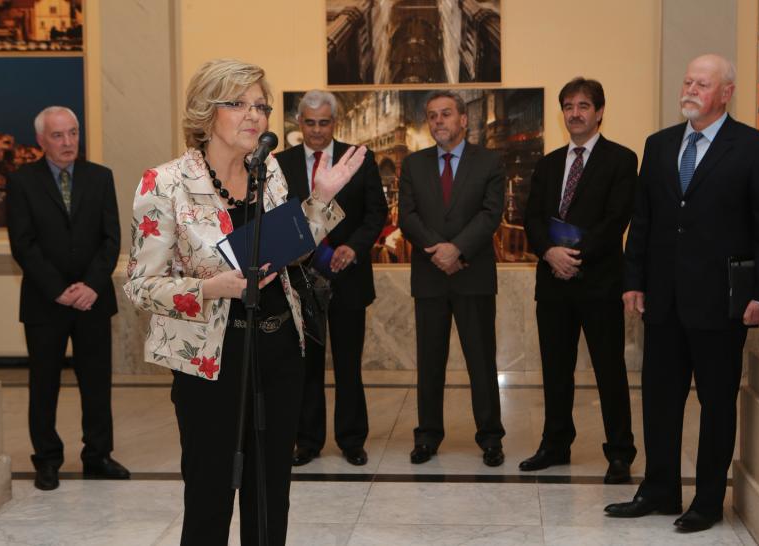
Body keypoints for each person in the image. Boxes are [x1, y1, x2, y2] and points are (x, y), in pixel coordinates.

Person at [123, 59, 366, 546]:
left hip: (279, 351)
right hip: (211, 361)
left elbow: (287, 250)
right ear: (205, 110)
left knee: (270, 496)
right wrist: (210, 289)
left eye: (261, 106)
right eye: (238, 103)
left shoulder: (269, 170)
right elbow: (141, 285)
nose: (254, 115)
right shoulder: (165, 183)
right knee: (210, 497)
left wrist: (320, 200)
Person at [605, 54, 759, 532]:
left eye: (702, 84)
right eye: (688, 81)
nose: (690, 90)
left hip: (721, 304)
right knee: (659, 400)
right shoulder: (659, 145)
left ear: (726, 93)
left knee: (717, 404)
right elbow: (642, 221)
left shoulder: (755, 148)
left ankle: (707, 501)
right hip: (662, 301)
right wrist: (633, 280)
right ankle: (660, 490)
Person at [6, 106, 128, 491]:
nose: (68, 142)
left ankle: (98, 456)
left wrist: (91, 285)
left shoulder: (100, 177)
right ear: (41, 140)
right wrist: (58, 289)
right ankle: (47, 459)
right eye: (58, 135)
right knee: (44, 385)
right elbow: (23, 244)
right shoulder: (22, 181)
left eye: (73, 133)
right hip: (45, 303)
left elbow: (111, 239)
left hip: (94, 300)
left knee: (97, 383)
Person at [522, 78, 637, 483]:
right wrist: (549, 253)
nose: (575, 113)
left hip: (599, 283)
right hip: (553, 283)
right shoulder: (548, 163)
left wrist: (574, 256)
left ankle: (620, 452)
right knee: (555, 370)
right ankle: (555, 444)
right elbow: (531, 217)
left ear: (599, 112)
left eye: (584, 105)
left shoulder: (621, 160)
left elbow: (616, 219)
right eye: (568, 106)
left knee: (609, 370)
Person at [276, 90, 387, 467]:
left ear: (334, 123)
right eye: (310, 123)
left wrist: (353, 248)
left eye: (324, 123)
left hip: (347, 277)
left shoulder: (358, 160)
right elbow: (277, 216)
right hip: (299, 278)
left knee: (348, 364)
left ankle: (352, 439)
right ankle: (307, 441)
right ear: (299, 123)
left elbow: (376, 213)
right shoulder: (281, 164)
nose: (317, 130)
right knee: (306, 365)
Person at [398, 90, 506, 467]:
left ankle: (490, 437)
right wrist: (439, 251)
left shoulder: (489, 161)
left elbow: (491, 214)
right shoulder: (414, 165)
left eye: (446, 114)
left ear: (463, 119)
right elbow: (407, 216)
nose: (438, 121)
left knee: (481, 360)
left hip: (473, 275)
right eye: (432, 115)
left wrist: (457, 249)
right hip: (430, 276)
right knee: (430, 362)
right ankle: (427, 436)